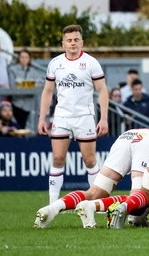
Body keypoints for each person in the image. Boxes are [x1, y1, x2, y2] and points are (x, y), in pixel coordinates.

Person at [37, 24, 109, 205]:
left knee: (90, 160)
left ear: (82, 42)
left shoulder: (91, 63)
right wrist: (42, 118)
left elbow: (102, 91)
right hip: (61, 117)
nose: (73, 43)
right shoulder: (55, 63)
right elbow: (47, 91)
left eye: (76, 40)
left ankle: (95, 203)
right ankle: (52, 204)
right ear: (63, 44)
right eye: (69, 40)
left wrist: (104, 118)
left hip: (84, 117)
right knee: (58, 158)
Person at [7, 49, 46, 116]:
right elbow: (13, 86)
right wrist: (32, 85)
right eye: (22, 57)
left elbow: (41, 84)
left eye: (26, 57)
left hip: (29, 105)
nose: (24, 59)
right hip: (17, 103)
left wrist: (21, 84)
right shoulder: (12, 69)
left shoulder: (33, 71)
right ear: (19, 58)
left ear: (29, 59)